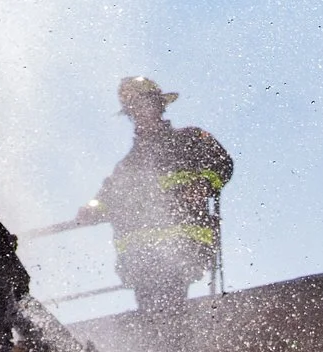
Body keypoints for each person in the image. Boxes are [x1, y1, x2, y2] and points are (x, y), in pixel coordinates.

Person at [76, 77, 232, 317]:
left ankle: (173, 344)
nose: (140, 113)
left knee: (167, 305)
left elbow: (222, 163)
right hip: (140, 255)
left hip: (184, 243)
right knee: (152, 312)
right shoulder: (127, 165)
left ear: (159, 106)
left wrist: (204, 184)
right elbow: (105, 197)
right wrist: (91, 209)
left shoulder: (190, 139)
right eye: (134, 109)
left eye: (145, 105)